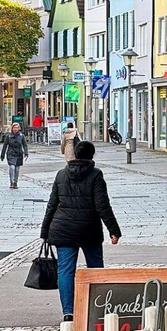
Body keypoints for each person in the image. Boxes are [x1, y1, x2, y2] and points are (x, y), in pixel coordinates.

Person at [40, 141, 121, 323]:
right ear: (92, 155)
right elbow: (102, 205)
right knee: (95, 268)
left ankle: (68, 312)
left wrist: (44, 231)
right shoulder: (95, 175)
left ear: (75, 154)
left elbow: (52, 204)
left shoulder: (61, 174)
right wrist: (113, 230)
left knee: (66, 271)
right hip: (88, 230)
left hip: (63, 230)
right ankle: (97, 305)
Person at [1, 123, 29, 189]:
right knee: (12, 167)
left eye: (17, 128)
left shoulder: (22, 136)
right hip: (11, 154)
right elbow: (5, 146)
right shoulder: (9, 136)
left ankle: (15, 182)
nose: (15, 129)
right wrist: (2, 155)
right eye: (14, 128)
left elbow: (25, 145)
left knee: (17, 169)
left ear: (19, 128)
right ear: (12, 128)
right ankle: (12, 182)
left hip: (19, 154)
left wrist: (26, 153)